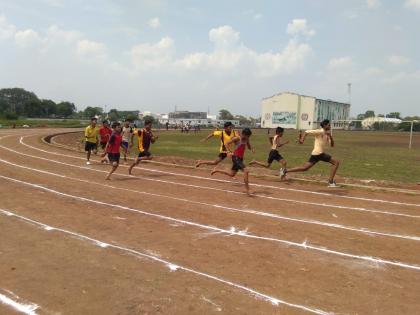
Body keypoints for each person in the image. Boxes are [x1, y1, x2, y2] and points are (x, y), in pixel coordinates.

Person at [283, 119, 340, 187]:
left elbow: (332, 145)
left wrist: (330, 136)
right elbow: (306, 132)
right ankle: (330, 182)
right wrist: (302, 140)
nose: (330, 126)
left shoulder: (326, 134)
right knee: (336, 162)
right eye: (329, 125)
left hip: (316, 154)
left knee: (305, 168)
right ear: (324, 126)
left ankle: (285, 171)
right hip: (319, 153)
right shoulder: (320, 131)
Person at [211, 128, 254, 196]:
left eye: (249, 136)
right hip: (235, 157)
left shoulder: (246, 139)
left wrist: (252, 149)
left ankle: (217, 170)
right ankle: (248, 190)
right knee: (246, 171)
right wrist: (228, 152)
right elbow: (226, 144)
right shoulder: (237, 139)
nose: (248, 137)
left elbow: (248, 146)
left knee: (232, 174)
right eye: (247, 136)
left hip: (240, 158)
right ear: (243, 134)